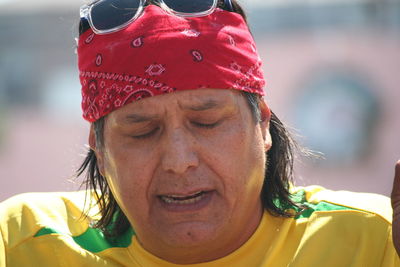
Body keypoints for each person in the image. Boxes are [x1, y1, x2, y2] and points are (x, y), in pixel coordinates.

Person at [0, 0, 399, 266]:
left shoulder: (374, 240)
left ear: (262, 123)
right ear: (100, 151)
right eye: (142, 131)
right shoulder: (26, 241)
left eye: (207, 122)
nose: (179, 160)